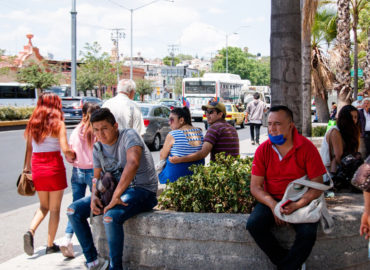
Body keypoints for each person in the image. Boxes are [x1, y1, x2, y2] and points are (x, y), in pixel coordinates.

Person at [67, 108, 158, 270]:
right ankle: (93, 261)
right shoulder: (97, 148)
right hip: (116, 191)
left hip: (142, 190)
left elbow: (133, 163)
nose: (100, 134)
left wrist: (116, 197)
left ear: (115, 126)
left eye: (104, 129)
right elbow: (96, 176)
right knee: (73, 210)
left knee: (110, 216)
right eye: (96, 130)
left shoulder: (129, 136)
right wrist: (94, 195)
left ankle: (115, 267)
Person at [246, 105, 326, 270]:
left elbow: (318, 185)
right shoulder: (263, 149)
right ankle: (290, 264)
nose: (272, 129)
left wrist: (297, 204)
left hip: (300, 200)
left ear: (291, 126)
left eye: (277, 124)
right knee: (254, 225)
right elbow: (255, 187)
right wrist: (274, 206)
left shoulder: (306, 147)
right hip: (272, 199)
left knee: (308, 233)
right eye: (269, 124)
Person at [23, 93, 76, 256]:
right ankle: (49, 244)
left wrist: (27, 169)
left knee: (43, 206)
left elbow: (29, 150)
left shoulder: (32, 124)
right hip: (53, 167)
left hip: (37, 167)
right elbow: (64, 148)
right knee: (54, 209)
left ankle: (30, 231)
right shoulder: (58, 124)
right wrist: (73, 154)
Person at [60, 102, 100, 258]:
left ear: (83, 114)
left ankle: (67, 238)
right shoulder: (96, 132)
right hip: (93, 172)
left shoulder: (76, 131)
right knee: (96, 203)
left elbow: (70, 153)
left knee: (75, 206)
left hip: (77, 170)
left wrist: (74, 162)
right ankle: (97, 235)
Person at [169, 98, 239, 164]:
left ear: (220, 114)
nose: (207, 114)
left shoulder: (214, 128)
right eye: (206, 112)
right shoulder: (231, 128)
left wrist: (180, 159)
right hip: (232, 170)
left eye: (210, 112)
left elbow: (202, 153)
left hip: (220, 172)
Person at [158, 107, 204, 184]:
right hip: (195, 177)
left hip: (174, 178)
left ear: (181, 120)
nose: (169, 123)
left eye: (171, 120)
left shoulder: (173, 134)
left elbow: (162, 157)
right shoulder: (199, 132)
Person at [320, 105, 361, 184]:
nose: (353, 120)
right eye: (351, 117)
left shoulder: (351, 131)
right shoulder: (335, 131)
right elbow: (338, 156)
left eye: (356, 117)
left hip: (343, 170)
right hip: (330, 172)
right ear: (344, 118)